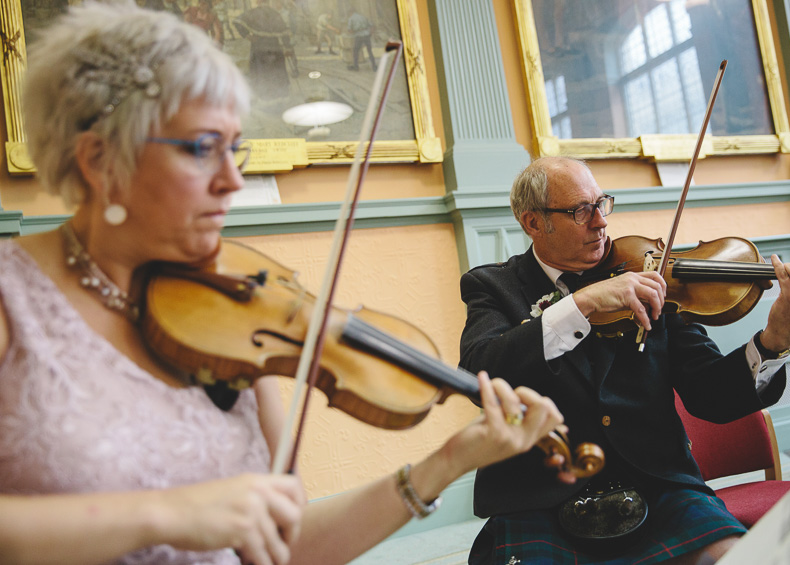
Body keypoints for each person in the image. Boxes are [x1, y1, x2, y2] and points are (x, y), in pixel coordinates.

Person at [0, 4, 573, 564]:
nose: (231, 180)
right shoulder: (12, 298)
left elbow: (286, 546)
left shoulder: (230, 310)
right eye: (204, 148)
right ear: (101, 159)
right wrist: (164, 515)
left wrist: (446, 462)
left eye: (235, 148)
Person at [458, 156, 790, 565]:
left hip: (658, 485)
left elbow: (712, 396)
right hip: (538, 496)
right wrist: (581, 304)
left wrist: (776, 338)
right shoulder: (493, 286)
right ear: (533, 222)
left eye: (601, 203)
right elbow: (481, 373)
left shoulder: (651, 278)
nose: (600, 222)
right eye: (580, 211)